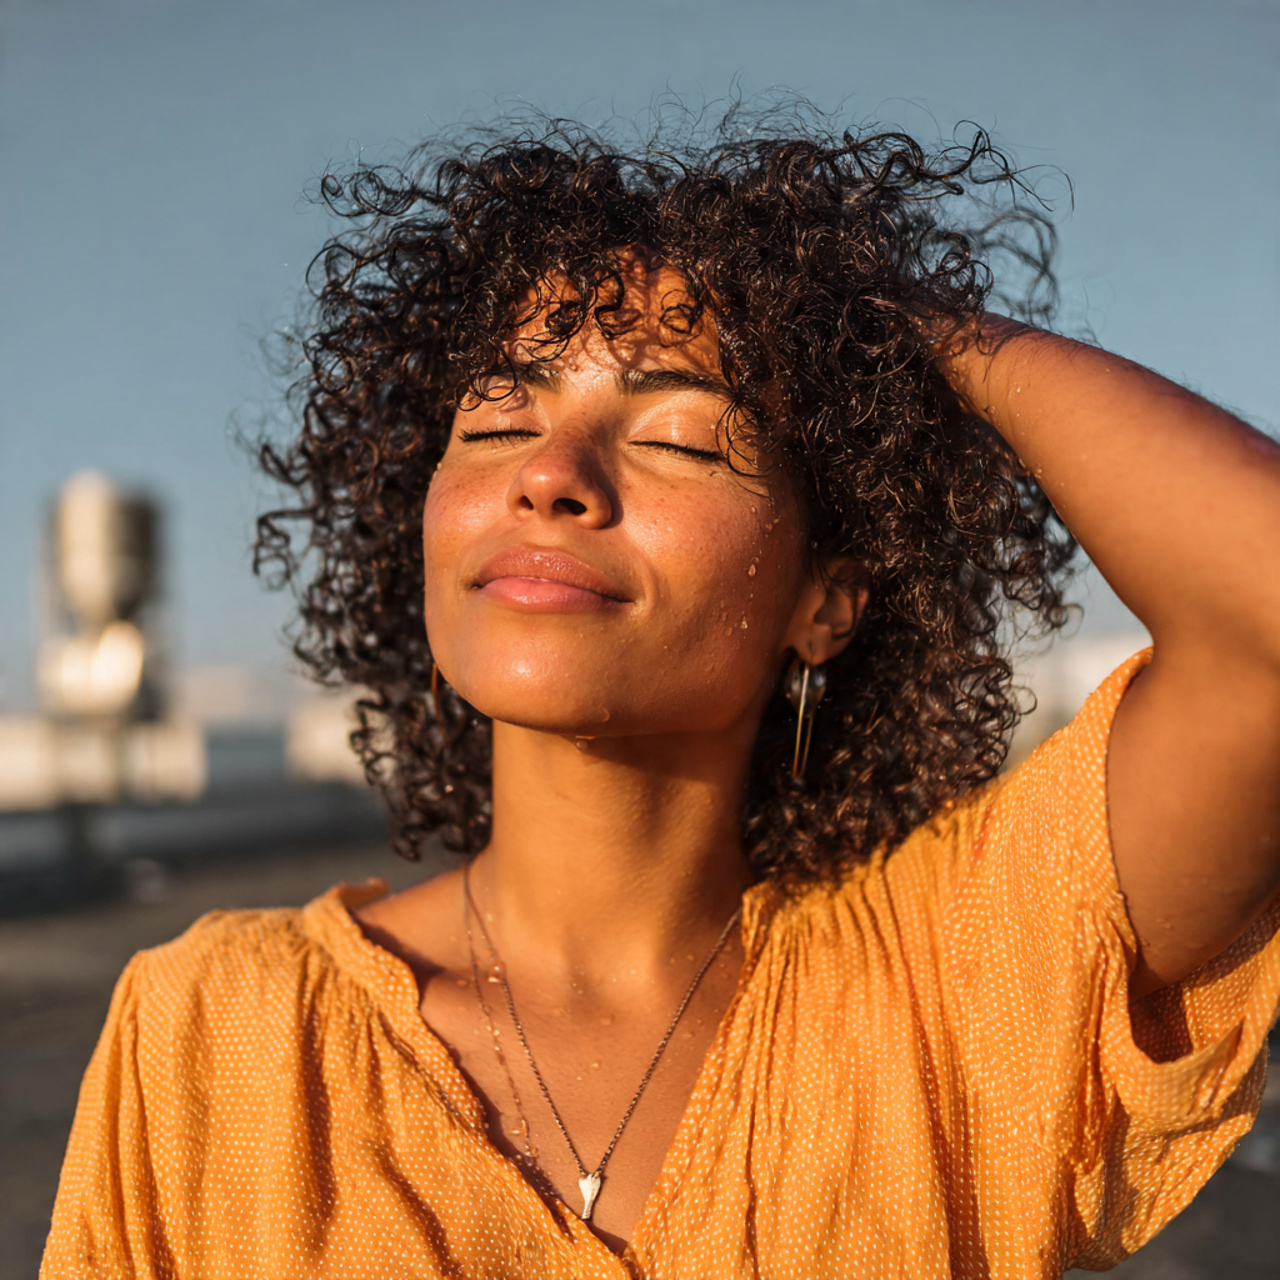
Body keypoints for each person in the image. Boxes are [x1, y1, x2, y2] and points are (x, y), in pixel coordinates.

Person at [42, 114, 1280, 1279]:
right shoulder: (214, 1030)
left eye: (680, 439)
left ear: (823, 601)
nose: (550, 474)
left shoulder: (949, 989)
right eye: (495, 423)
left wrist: (870, 322)